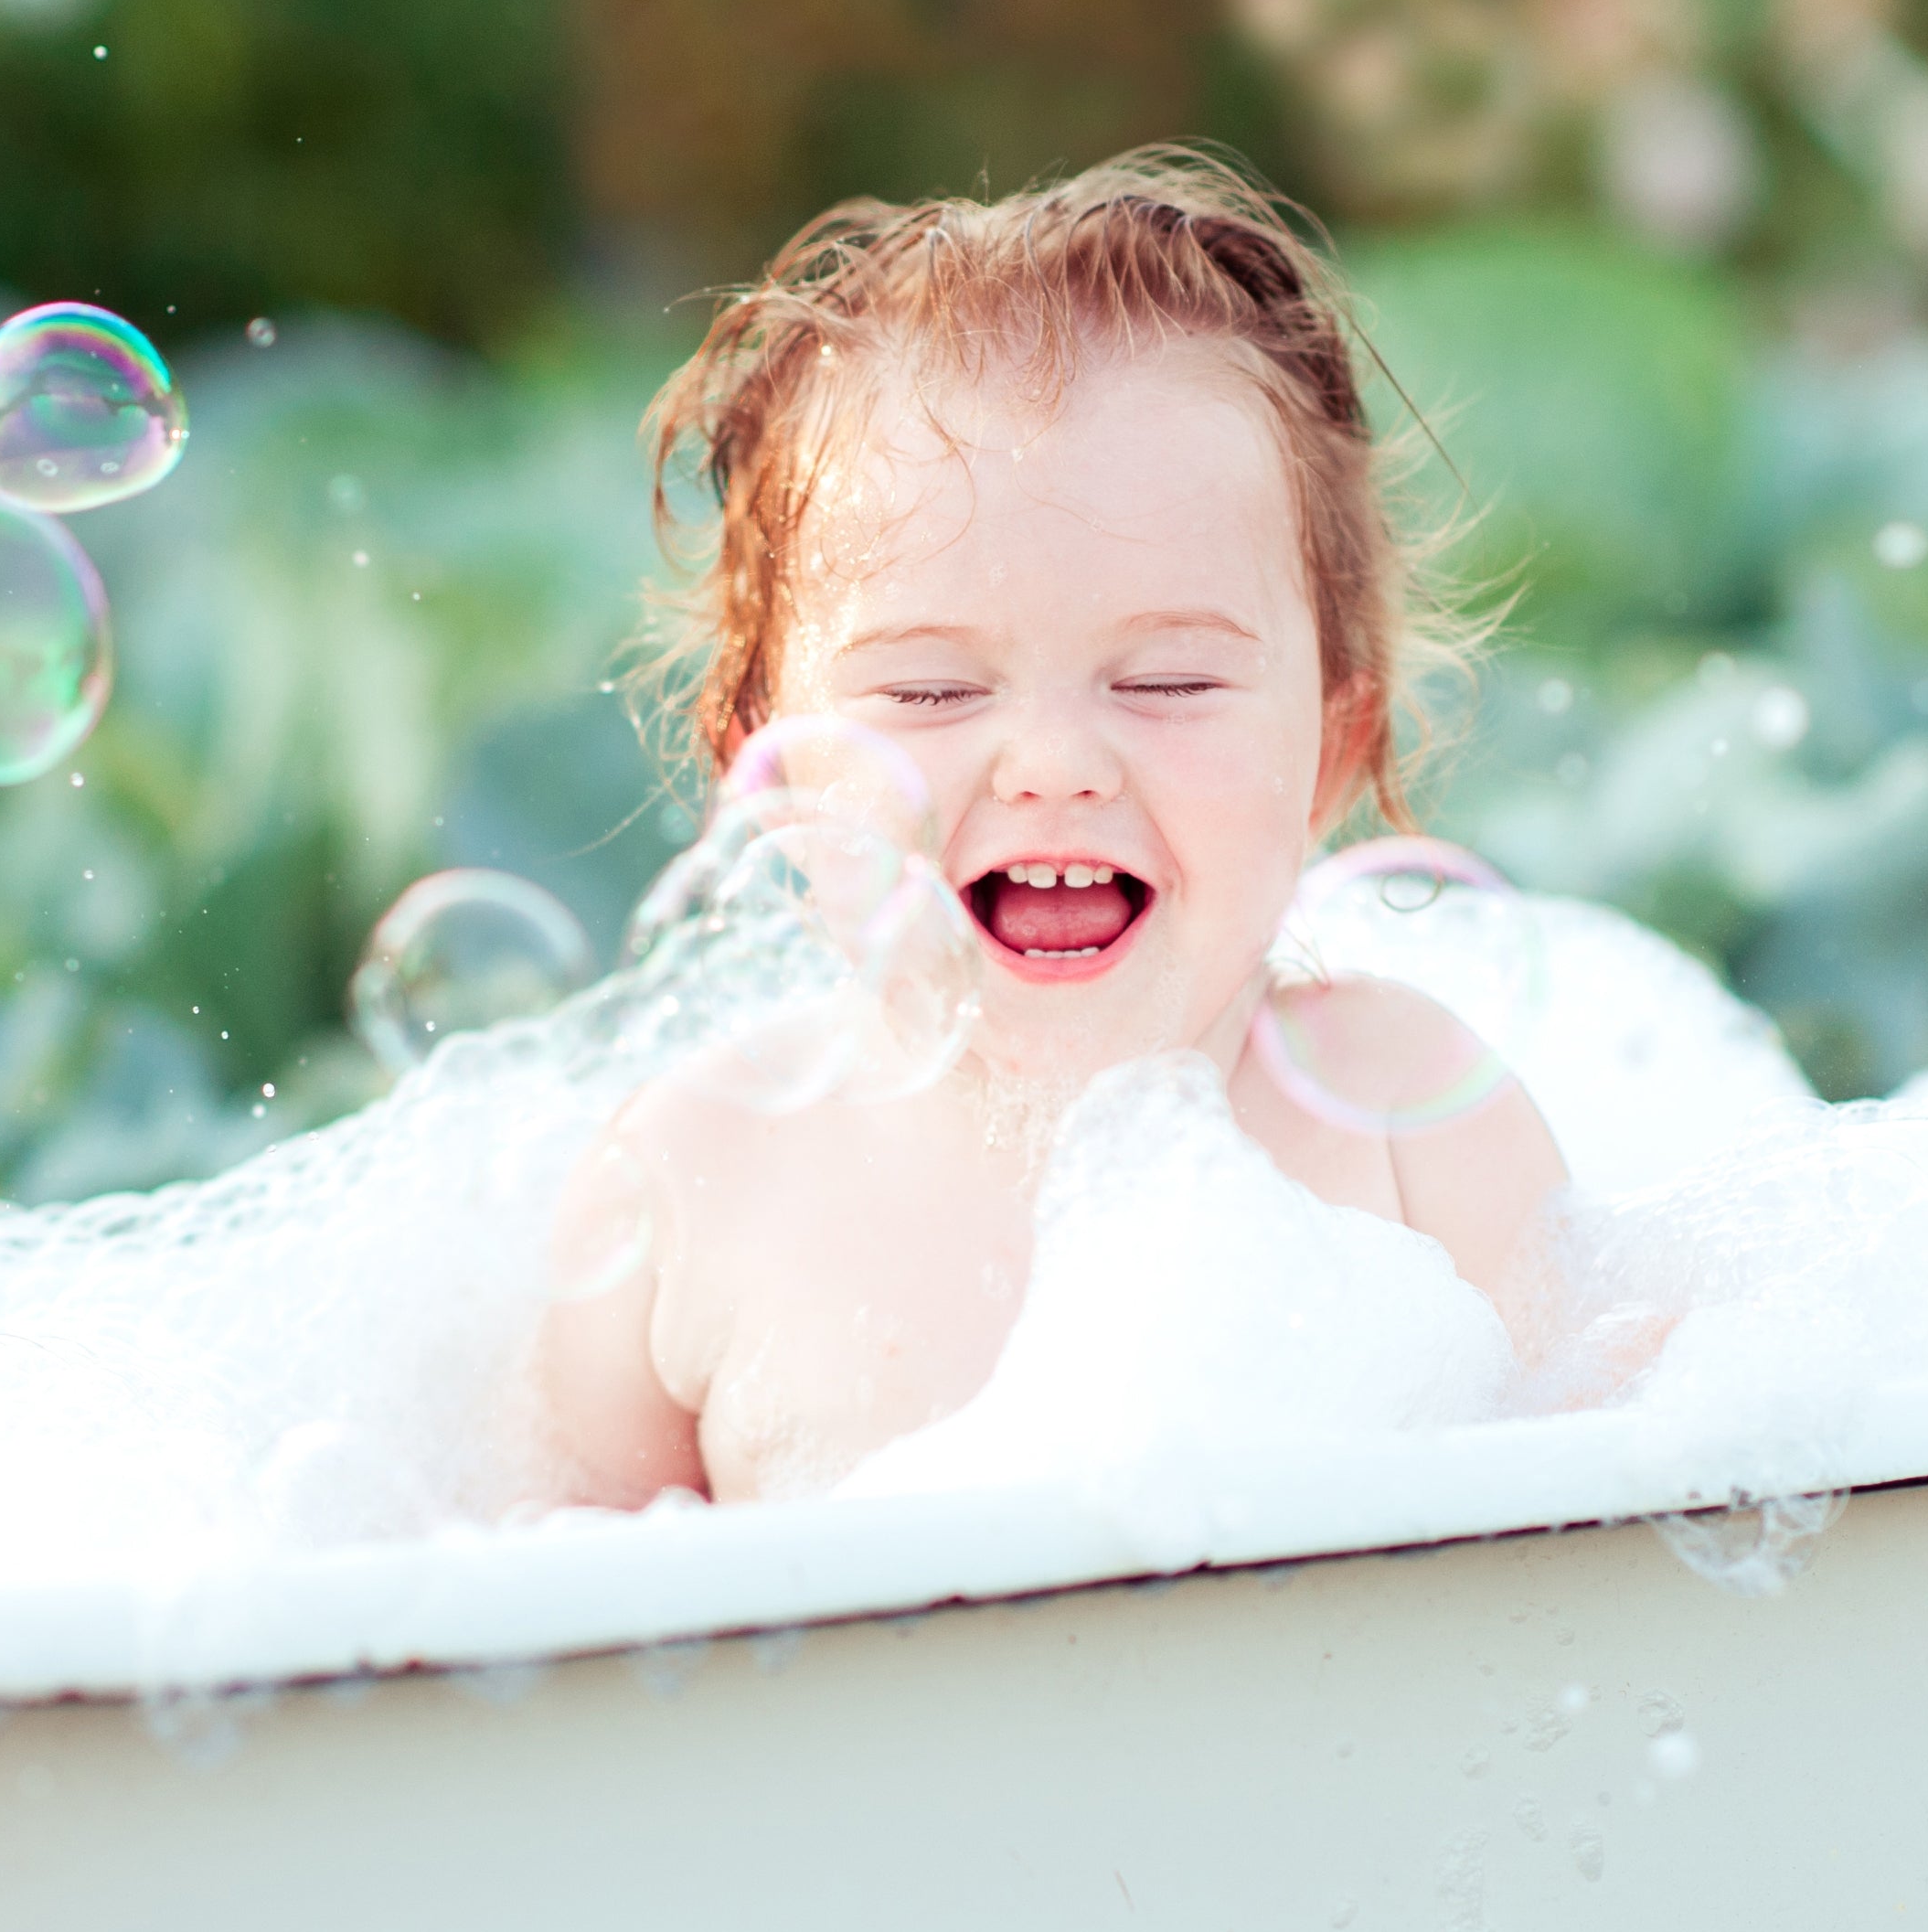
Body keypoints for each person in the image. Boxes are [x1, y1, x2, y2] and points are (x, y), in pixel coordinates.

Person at [539, 148, 1567, 1504]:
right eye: (930, 688)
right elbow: (548, 1630)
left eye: (1166, 683)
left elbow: (1610, 1550)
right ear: (770, 783)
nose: (1055, 766)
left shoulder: (1413, 1130)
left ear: (1331, 756)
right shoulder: (689, 1183)